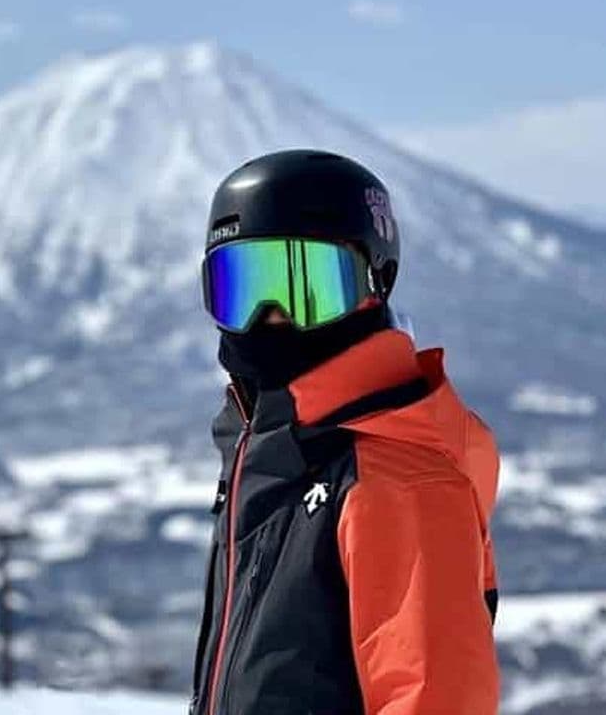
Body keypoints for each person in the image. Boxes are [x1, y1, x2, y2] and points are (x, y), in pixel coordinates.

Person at [189, 150, 500, 715]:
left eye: (306, 286)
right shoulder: (266, 454)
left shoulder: (394, 480)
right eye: (243, 288)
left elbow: (434, 700)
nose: (270, 317)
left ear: (374, 283)